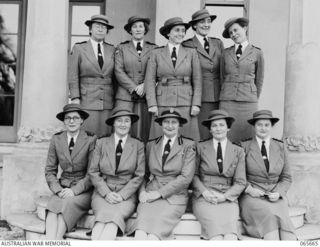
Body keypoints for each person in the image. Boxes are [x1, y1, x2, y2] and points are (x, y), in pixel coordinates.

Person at [128, 109, 196, 240]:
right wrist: (142, 192)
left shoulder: (188, 145)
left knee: (154, 235)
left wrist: (159, 193)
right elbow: (144, 173)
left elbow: (186, 178)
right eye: (166, 122)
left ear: (179, 125)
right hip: (150, 194)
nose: (170, 125)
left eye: (174, 122)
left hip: (175, 197)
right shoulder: (151, 145)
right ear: (161, 124)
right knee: (140, 233)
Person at [88, 106, 145, 240]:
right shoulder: (101, 143)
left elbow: (139, 175)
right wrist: (106, 193)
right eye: (119, 120)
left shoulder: (138, 145)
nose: (123, 124)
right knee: (100, 221)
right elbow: (93, 171)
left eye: (126, 121)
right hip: (102, 193)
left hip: (126, 195)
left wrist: (123, 195)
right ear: (113, 123)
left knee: (113, 220)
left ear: (131, 124)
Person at [240, 110, 296, 240]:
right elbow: (238, 177)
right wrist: (250, 190)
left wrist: (279, 192)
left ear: (271, 127)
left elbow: (286, 177)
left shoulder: (280, 146)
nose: (263, 128)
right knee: (270, 223)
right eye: (259, 125)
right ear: (254, 126)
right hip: (252, 196)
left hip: (275, 195)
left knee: (287, 231)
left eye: (266, 125)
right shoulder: (244, 146)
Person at [145, 17, 202, 141]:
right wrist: (152, 104)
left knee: (188, 137)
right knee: (160, 137)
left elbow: (197, 80)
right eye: (177, 30)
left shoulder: (191, 53)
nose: (181, 33)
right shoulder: (156, 53)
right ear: (168, 33)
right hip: (162, 101)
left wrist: (196, 104)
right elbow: (149, 81)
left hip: (186, 101)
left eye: (183, 31)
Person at [45, 103, 97, 240]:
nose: (72, 121)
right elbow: (50, 170)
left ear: (81, 120)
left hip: (83, 188)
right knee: (52, 209)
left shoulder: (91, 139)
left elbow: (92, 172)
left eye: (75, 118)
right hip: (62, 187)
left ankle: (56, 241)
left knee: (66, 206)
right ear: (64, 121)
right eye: (68, 118)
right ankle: (51, 242)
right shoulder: (56, 139)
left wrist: (74, 191)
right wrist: (57, 189)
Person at [192, 109, 246, 240]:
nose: (218, 129)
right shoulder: (200, 147)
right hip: (205, 198)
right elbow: (193, 175)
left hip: (228, 198)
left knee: (230, 236)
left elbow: (241, 182)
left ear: (228, 128)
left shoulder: (238, 151)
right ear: (210, 129)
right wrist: (204, 192)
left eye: (222, 125)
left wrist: (225, 196)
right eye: (214, 126)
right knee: (216, 236)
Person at [68, 14, 115, 137]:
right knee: (87, 137)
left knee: (106, 137)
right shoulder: (79, 48)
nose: (100, 29)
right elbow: (73, 75)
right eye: (97, 26)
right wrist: (75, 98)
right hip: (86, 100)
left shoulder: (112, 49)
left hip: (107, 101)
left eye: (104, 28)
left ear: (106, 32)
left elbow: (115, 76)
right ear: (90, 29)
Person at [219, 17, 264, 142]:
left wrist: (252, 96)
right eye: (230, 33)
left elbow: (259, 80)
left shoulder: (257, 52)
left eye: (235, 30)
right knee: (227, 135)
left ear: (244, 28)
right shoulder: (225, 53)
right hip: (228, 101)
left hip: (248, 101)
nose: (233, 34)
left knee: (248, 136)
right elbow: (222, 77)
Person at [115, 16, 157, 143]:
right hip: (125, 95)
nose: (138, 29)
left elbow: (157, 71)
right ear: (130, 30)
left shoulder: (154, 48)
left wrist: (145, 85)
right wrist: (134, 87)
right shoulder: (122, 48)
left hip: (146, 95)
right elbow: (118, 70)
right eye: (134, 27)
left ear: (145, 29)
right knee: (125, 129)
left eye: (141, 26)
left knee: (145, 129)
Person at [183, 9, 224, 140]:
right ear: (194, 25)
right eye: (202, 22)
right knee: (201, 133)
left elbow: (223, 70)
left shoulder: (217, 43)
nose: (206, 25)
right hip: (199, 97)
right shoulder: (187, 45)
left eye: (208, 21)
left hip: (218, 96)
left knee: (217, 132)